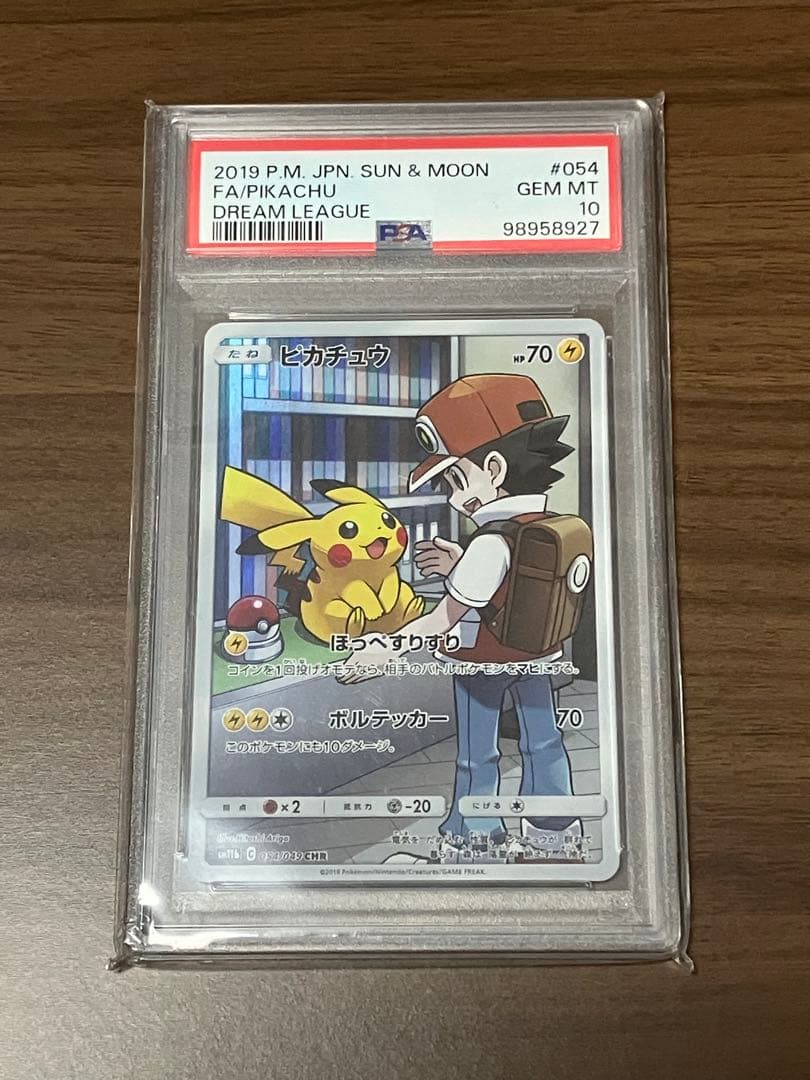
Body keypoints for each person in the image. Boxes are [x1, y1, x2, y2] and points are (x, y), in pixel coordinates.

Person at [340, 374, 590, 854]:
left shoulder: (490, 542)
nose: (453, 496)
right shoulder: (544, 524)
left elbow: (445, 618)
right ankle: (555, 835)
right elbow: (514, 585)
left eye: (456, 479)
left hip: (481, 664)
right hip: (536, 656)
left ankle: (474, 838)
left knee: (479, 755)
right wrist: (461, 566)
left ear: (494, 468)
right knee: (543, 742)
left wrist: (387, 647)